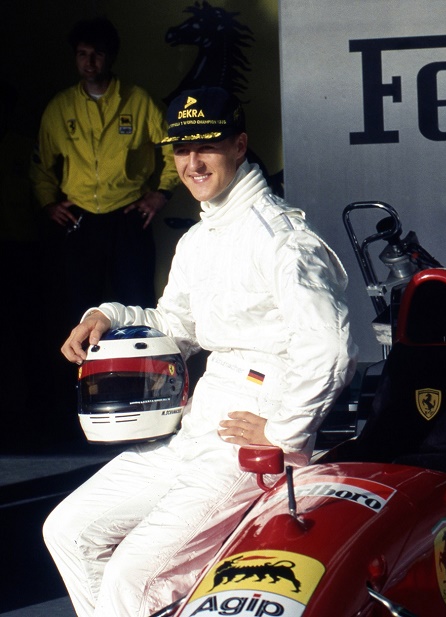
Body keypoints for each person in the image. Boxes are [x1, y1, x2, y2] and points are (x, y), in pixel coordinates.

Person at [42, 86, 358, 617]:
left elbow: (331, 348)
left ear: (239, 145)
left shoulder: (283, 240)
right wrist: (110, 315)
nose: (192, 162)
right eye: (181, 150)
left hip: (252, 439)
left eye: (206, 146)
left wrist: (284, 432)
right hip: (199, 427)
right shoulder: (200, 239)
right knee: (69, 531)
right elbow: (180, 326)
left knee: (131, 579)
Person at [29, 16, 180, 322]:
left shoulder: (138, 101)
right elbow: (41, 163)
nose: (89, 62)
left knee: (138, 303)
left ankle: (142, 368)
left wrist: (161, 193)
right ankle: (80, 369)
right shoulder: (61, 107)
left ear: (110, 56)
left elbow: (174, 145)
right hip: (80, 219)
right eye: (82, 54)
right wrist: (48, 203)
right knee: (78, 307)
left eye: (97, 54)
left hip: (129, 217)